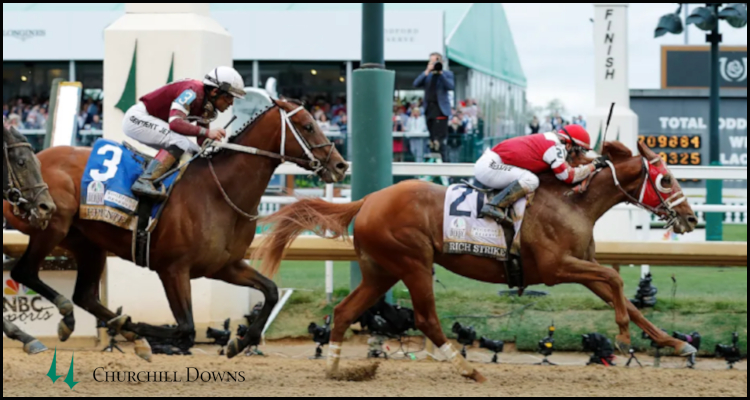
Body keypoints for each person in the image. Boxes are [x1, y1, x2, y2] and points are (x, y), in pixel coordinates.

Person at [125, 66, 246, 201]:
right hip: (138, 118)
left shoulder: (208, 106)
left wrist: (211, 143)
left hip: (153, 122)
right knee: (180, 143)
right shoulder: (192, 91)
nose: (231, 102)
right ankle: (144, 181)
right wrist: (208, 132)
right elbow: (175, 123)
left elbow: (201, 142)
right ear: (215, 91)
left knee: (193, 151)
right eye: (228, 97)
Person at [475, 125, 608, 225]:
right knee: (531, 180)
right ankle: (494, 205)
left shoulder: (551, 141)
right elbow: (568, 177)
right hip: (489, 166)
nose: (579, 155)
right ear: (569, 145)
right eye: (579, 151)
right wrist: (594, 166)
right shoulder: (554, 147)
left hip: (492, 163)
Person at [413, 52, 455, 160]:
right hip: (429, 109)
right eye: (431, 62)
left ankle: (445, 166)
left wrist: (440, 73)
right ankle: (434, 162)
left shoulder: (447, 74)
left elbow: (450, 86)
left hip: (441, 110)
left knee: (440, 140)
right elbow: (416, 83)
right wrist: (427, 71)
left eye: (436, 61)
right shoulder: (427, 76)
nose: (434, 64)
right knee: (432, 140)